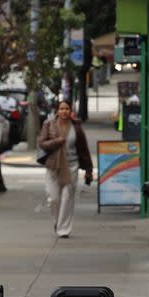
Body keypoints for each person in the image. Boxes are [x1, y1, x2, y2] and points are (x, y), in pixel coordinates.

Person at [38, 98, 93, 238]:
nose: (64, 111)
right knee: (53, 198)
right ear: (57, 110)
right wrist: (57, 141)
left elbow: (84, 150)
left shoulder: (77, 127)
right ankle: (58, 221)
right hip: (53, 166)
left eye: (67, 109)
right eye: (61, 108)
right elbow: (42, 143)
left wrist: (88, 170)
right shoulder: (49, 124)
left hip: (72, 166)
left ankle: (63, 229)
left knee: (67, 199)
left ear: (71, 111)